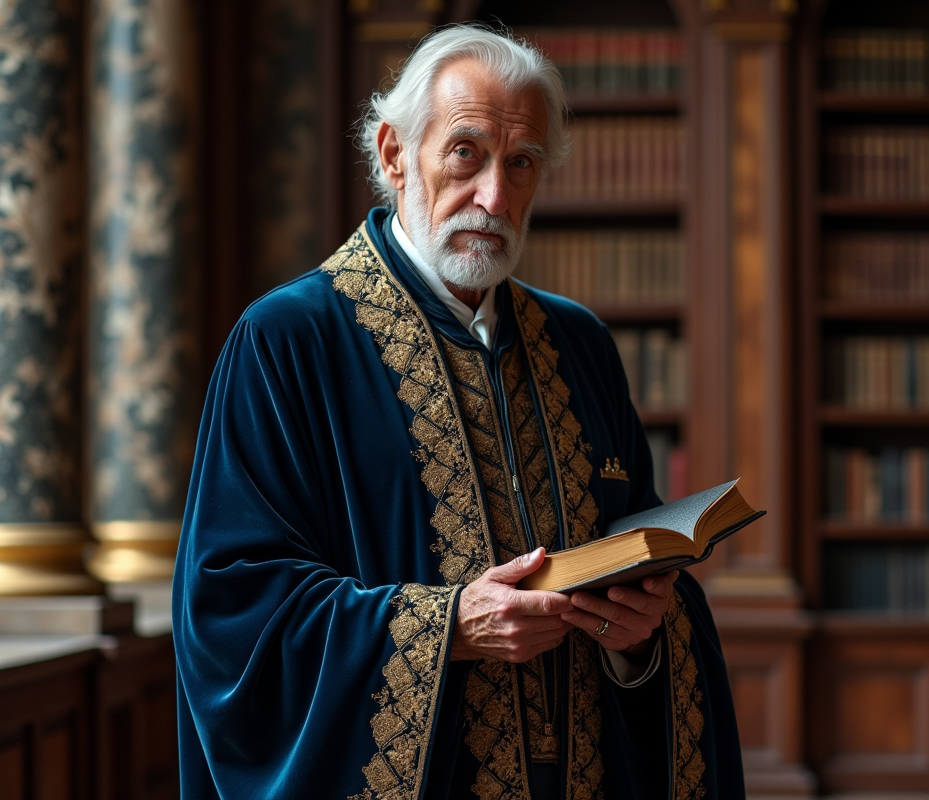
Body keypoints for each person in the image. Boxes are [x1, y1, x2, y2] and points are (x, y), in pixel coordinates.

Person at [173, 24, 744, 800]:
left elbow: (636, 551)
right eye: (466, 153)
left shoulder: (580, 345)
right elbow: (232, 611)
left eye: (522, 163)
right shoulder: (285, 341)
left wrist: (638, 639)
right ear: (394, 153)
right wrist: (448, 629)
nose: (495, 197)